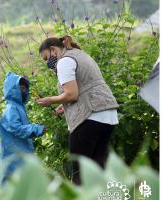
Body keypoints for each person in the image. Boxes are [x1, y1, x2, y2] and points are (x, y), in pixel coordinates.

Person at [36, 35, 119, 185]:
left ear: (53, 50)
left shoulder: (64, 62)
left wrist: (51, 100)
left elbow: (72, 94)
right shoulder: (80, 54)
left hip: (90, 116)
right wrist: (64, 104)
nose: (47, 63)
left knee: (80, 175)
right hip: (108, 115)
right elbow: (85, 86)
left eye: (46, 58)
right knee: (97, 172)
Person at [0, 72, 46, 184]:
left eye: (25, 88)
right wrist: (35, 129)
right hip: (13, 156)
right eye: (20, 88)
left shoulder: (18, 108)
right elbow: (16, 128)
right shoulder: (11, 109)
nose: (24, 91)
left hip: (20, 154)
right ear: (12, 90)